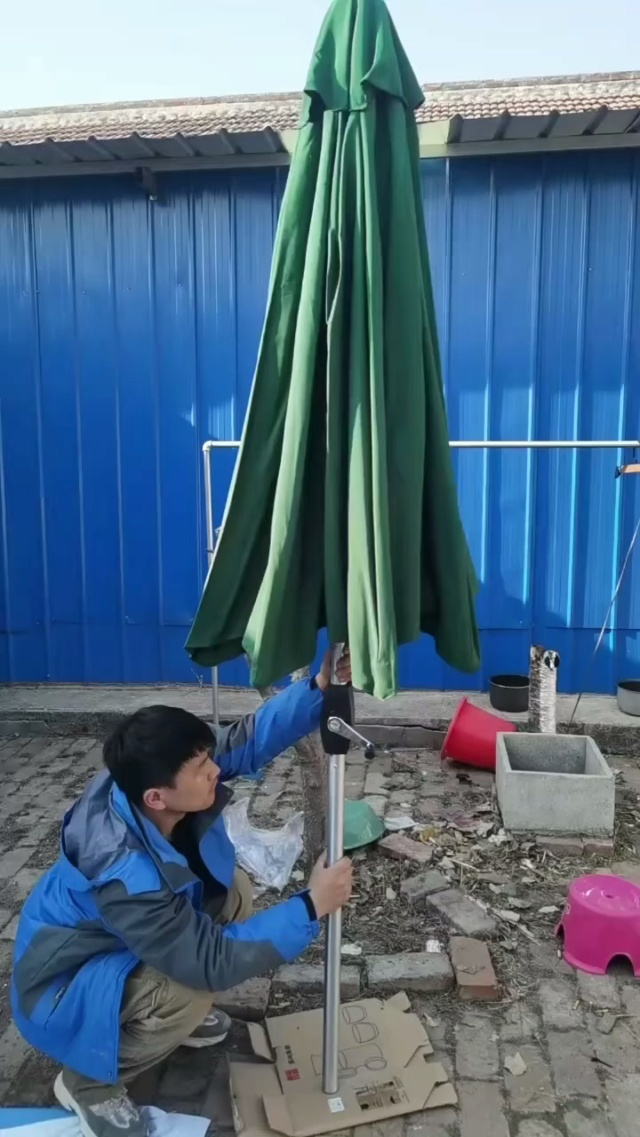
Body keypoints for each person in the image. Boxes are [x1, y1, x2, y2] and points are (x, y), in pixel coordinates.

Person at [11, 651, 353, 1137]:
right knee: (189, 989)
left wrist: (316, 688)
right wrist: (311, 905)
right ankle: (89, 1081)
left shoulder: (147, 780)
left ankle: (153, 1017)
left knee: (232, 892)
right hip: (60, 991)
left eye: (207, 759)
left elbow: (240, 742)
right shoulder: (124, 873)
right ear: (158, 797)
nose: (215, 770)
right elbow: (209, 960)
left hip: (116, 944)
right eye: (201, 767)